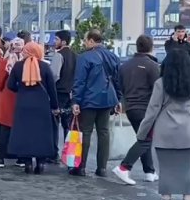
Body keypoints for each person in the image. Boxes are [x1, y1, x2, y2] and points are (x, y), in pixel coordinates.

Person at [137, 49, 190, 200]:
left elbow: (152, 110)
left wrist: (142, 132)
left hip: (165, 131)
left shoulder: (161, 83)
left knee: (166, 169)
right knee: (187, 169)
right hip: (188, 131)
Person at [71, 30, 123, 177]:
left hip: (89, 99)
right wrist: (118, 99)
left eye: (86, 40)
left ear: (92, 41)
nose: (84, 43)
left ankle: (81, 167)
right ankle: (102, 168)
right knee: (104, 132)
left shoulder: (84, 57)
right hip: (107, 100)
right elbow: (118, 80)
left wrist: (75, 101)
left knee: (86, 132)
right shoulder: (113, 57)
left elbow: (80, 81)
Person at [112, 35, 160, 185]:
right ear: (151, 48)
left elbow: (119, 86)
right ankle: (124, 167)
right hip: (146, 108)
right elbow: (158, 89)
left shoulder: (124, 66)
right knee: (145, 140)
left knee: (144, 138)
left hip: (130, 108)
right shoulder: (152, 66)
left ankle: (149, 171)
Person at [7, 42, 59, 174]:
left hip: (23, 105)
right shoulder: (45, 67)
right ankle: (40, 162)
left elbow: (10, 85)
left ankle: (28, 163)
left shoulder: (18, 66)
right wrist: (55, 106)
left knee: (25, 134)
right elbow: (52, 89)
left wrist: (21, 89)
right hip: (41, 105)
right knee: (41, 134)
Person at [0, 38, 24, 167]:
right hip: (22, 97)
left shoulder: (6, 61)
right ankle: (20, 158)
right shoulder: (25, 62)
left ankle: (1, 158)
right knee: (20, 129)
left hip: (7, 96)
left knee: (5, 129)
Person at [52, 30, 77, 149]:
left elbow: (54, 75)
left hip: (59, 93)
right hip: (71, 94)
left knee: (54, 122)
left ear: (63, 41)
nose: (54, 41)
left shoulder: (59, 55)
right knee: (68, 125)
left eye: (56, 39)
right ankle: (69, 152)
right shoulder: (75, 55)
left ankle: (53, 152)